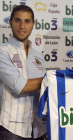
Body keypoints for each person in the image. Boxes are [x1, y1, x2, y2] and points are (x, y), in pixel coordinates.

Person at [0, 5, 46, 140]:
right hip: (11, 129)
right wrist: (50, 79)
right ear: (10, 22)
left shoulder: (39, 57)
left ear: (33, 24)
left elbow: (43, 92)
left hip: (37, 129)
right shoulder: (3, 51)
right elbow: (19, 86)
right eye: (17, 20)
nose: (22, 26)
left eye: (27, 21)